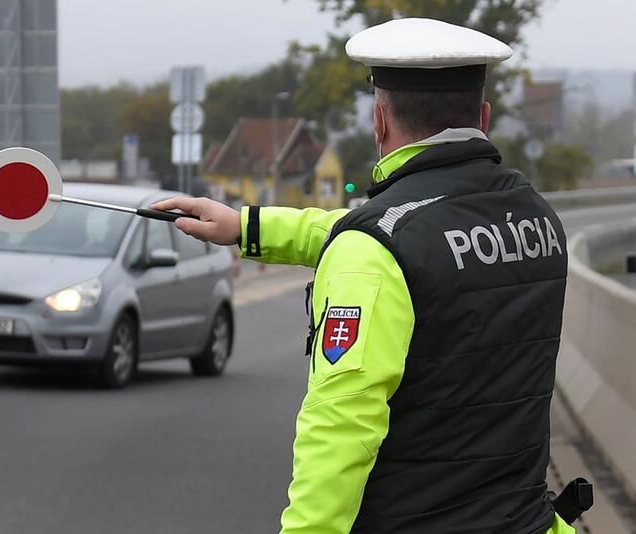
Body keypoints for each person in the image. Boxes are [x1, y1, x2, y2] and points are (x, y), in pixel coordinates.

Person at [155, 18, 582, 534]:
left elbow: (340, 428)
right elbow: (399, 235)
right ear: (483, 117)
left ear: (379, 121)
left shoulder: (380, 246)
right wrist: (245, 225)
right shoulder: (532, 217)